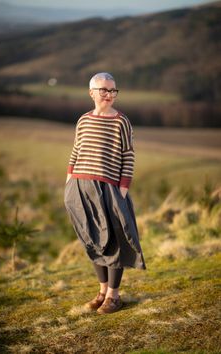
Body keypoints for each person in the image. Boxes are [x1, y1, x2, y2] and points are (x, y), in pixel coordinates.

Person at [64, 72, 146, 315]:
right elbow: (76, 150)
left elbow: (128, 154)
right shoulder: (84, 120)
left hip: (109, 187)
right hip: (80, 186)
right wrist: (69, 181)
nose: (109, 95)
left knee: (115, 239)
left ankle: (114, 295)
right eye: (104, 90)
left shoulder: (121, 121)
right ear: (92, 93)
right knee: (93, 238)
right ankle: (101, 292)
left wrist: (122, 188)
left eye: (113, 90)